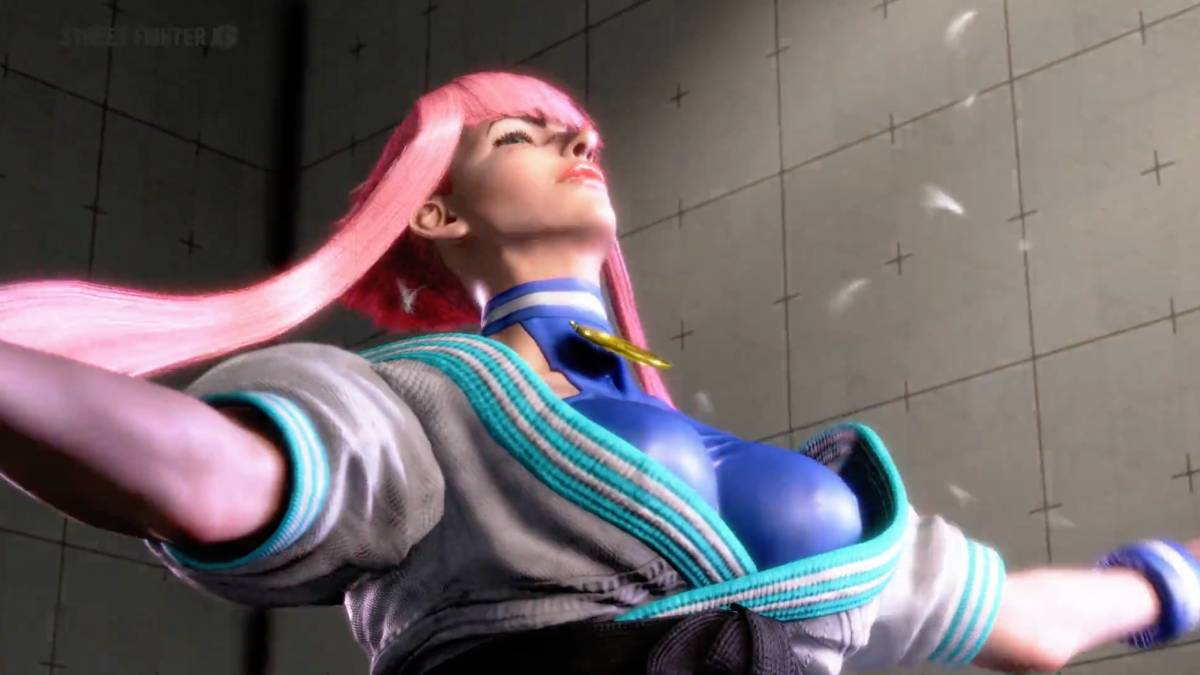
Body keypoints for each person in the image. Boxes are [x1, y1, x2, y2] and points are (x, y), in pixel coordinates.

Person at [0, 71, 1197, 675]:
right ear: (435, 216)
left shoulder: (691, 433)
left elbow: (1020, 624)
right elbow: (215, 476)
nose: (578, 141)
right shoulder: (427, 402)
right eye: (519, 137)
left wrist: (1174, 581)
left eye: (577, 133)